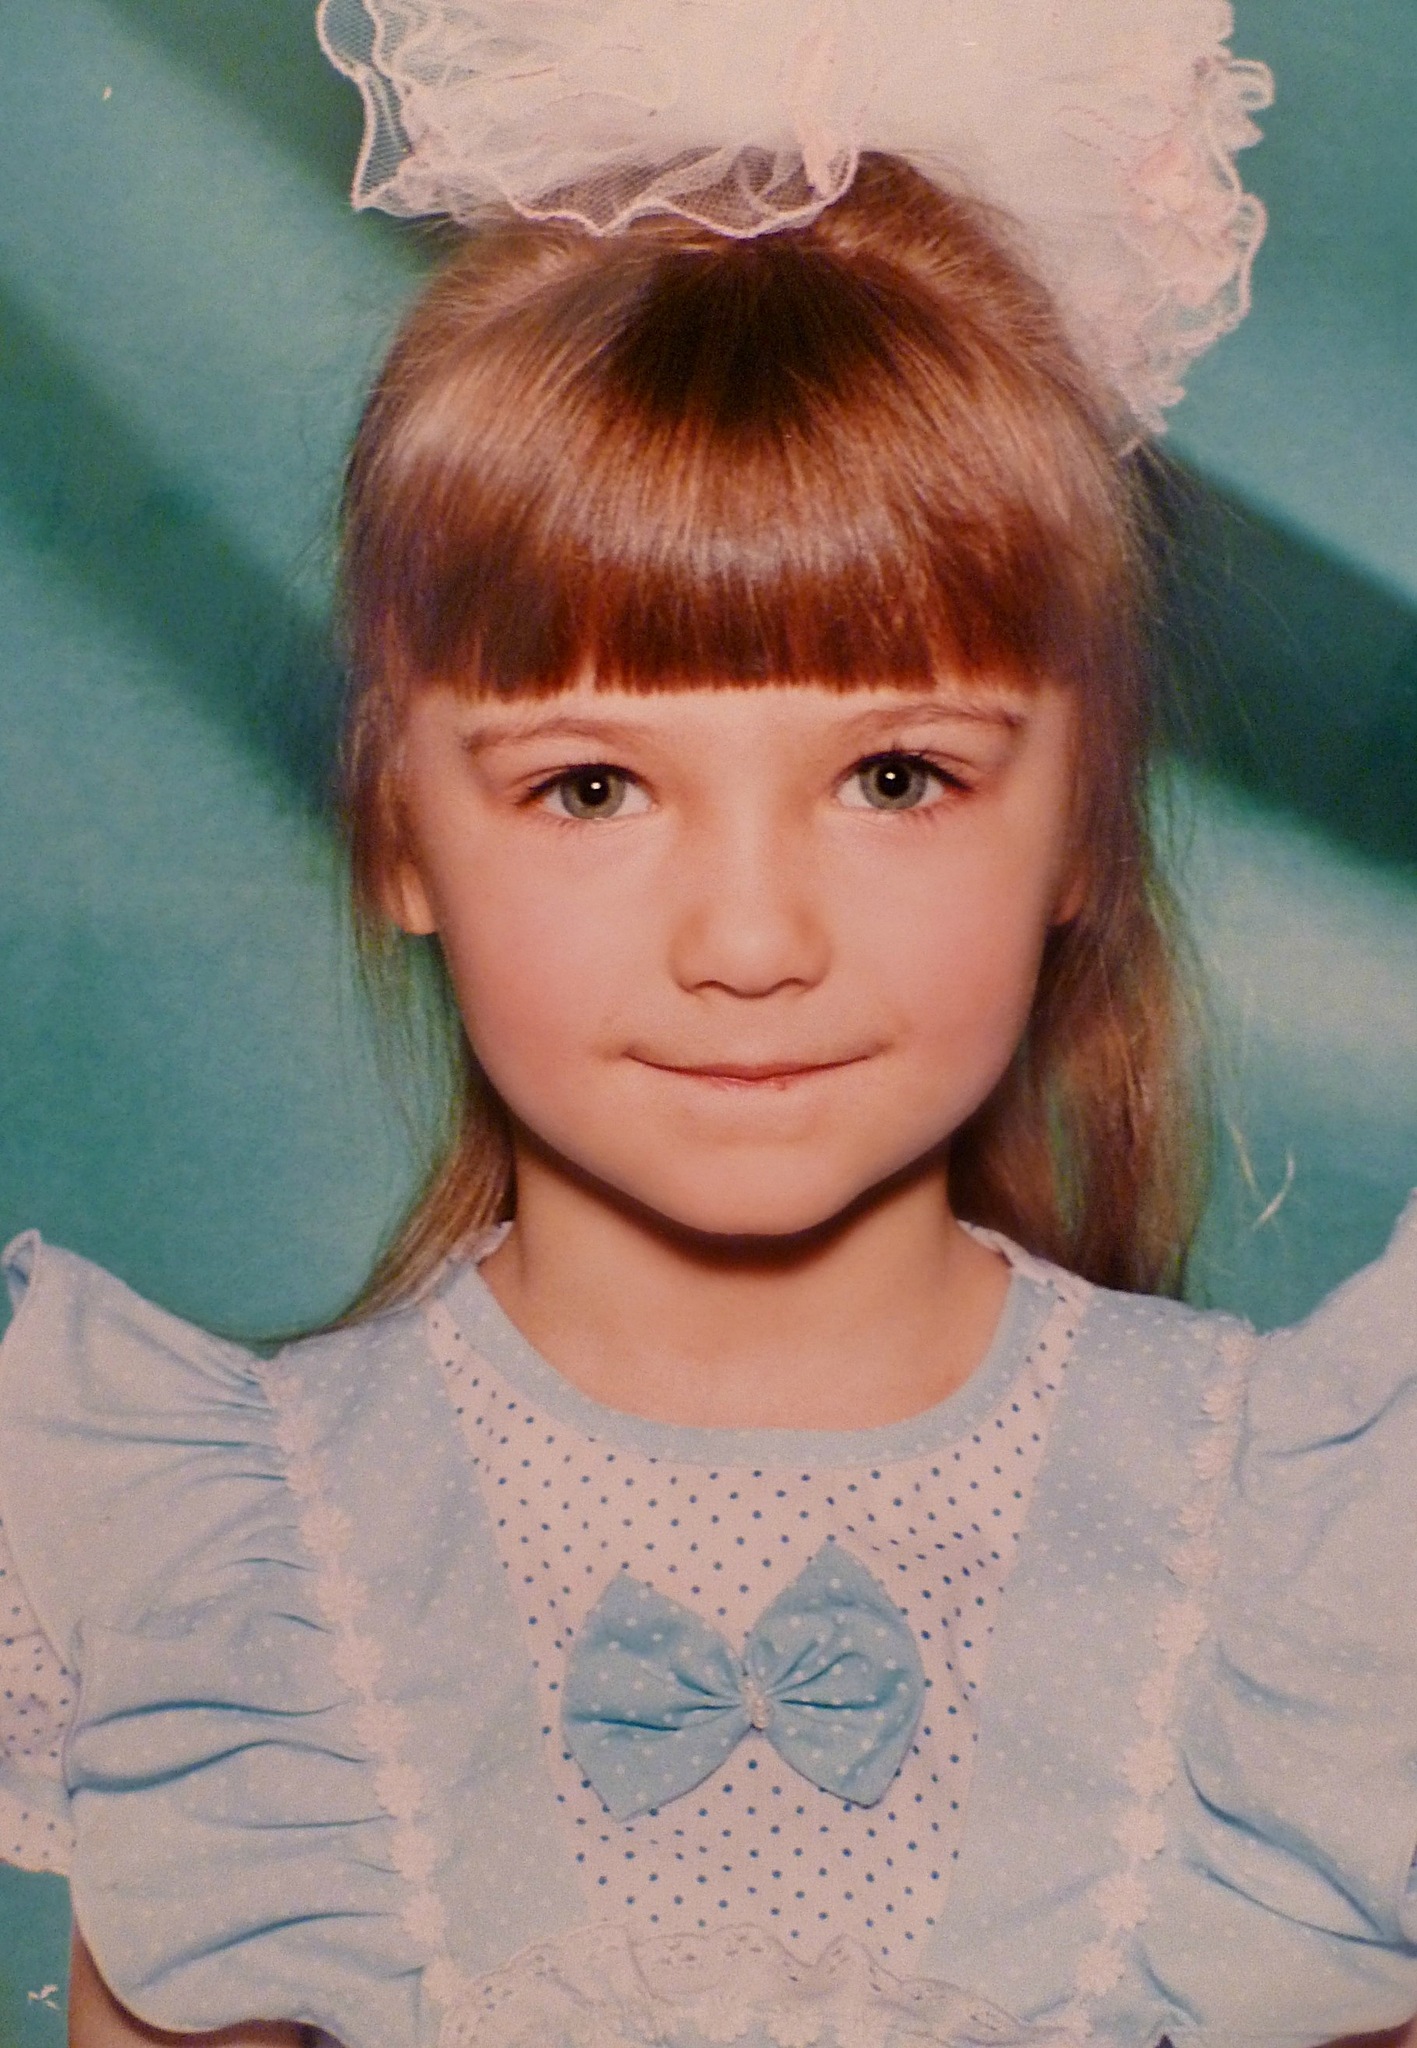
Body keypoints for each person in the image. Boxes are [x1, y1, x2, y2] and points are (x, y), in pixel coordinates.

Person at [1, 5, 1414, 2046]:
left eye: (896, 777)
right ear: (399, 827)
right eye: (591, 786)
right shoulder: (224, 1575)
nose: (749, 941)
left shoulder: (1310, 1562)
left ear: (1080, 826)